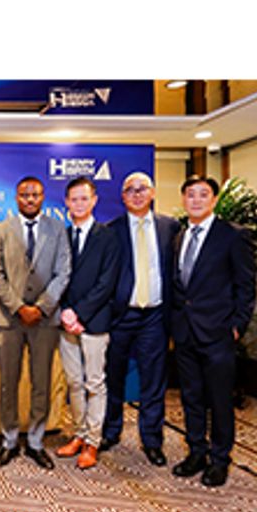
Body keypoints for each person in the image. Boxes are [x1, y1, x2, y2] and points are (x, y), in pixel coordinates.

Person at [171, 175, 256, 487]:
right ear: (184, 200)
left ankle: (220, 459)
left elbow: (245, 286)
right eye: (190, 194)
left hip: (218, 333)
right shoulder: (180, 236)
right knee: (191, 397)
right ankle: (196, 452)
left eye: (203, 194)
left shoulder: (233, 235)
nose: (196, 200)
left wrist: (237, 326)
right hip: (185, 332)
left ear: (214, 199)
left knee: (219, 400)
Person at [0, 176, 70, 470]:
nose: (30, 199)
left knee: (41, 382)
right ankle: (9, 440)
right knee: (8, 384)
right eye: (24, 194)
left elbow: (63, 272)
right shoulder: (1, 230)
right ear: (16, 197)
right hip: (9, 318)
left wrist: (42, 307)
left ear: (42, 196)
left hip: (44, 321)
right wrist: (19, 307)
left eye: (35, 194)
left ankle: (35, 442)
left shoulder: (57, 229)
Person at [101, 172, 180, 466]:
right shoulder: (111, 230)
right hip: (121, 315)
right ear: (123, 197)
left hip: (155, 316)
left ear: (152, 192)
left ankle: (152, 440)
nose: (136, 194)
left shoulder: (171, 227)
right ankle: (110, 432)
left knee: (153, 380)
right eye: (130, 190)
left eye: (142, 189)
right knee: (113, 377)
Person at [55, 177, 120, 469]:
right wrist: (65, 312)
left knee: (94, 383)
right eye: (74, 199)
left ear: (94, 201)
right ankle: (79, 434)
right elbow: (58, 277)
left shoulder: (108, 237)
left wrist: (79, 314)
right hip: (66, 322)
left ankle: (93, 441)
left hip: (94, 321)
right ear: (66, 202)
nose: (79, 204)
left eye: (84, 198)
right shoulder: (63, 235)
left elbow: (107, 283)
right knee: (73, 383)